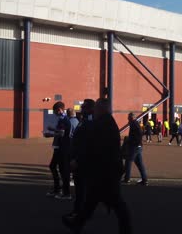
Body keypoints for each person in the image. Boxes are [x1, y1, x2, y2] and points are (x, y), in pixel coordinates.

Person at [63, 98, 132, 234]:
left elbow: (94, 147)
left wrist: (78, 161)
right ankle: (77, 223)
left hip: (106, 171)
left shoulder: (102, 124)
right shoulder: (107, 122)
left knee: (116, 203)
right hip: (107, 169)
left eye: (96, 109)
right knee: (92, 200)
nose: (94, 111)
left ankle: (126, 230)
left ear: (100, 109)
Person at [68, 99, 95, 217]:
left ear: (89, 109)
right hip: (78, 159)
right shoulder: (83, 120)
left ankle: (79, 212)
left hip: (82, 161)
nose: (81, 109)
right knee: (80, 188)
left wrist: (77, 159)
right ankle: (79, 211)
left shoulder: (89, 122)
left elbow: (86, 144)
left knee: (81, 188)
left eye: (83, 107)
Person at [46, 101, 72, 200]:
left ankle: (66, 193)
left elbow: (62, 133)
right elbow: (61, 131)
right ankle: (58, 189)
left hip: (63, 148)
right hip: (59, 147)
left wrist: (50, 134)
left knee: (63, 170)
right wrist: (52, 129)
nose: (55, 113)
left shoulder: (64, 119)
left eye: (55, 111)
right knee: (54, 167)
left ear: (59, 110)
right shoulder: (62, 119)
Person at [122, 112, 148, 185]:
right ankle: (145, 179)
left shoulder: (134, 123)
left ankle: (127, 179)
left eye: (128, 117)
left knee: (128, 162)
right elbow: (140, 133)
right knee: (140, 164)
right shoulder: (135, 123)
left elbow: (139, 133)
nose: (127, 119)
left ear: (131, 117)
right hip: (138, 146)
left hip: (134, 147)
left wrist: (131, 140)